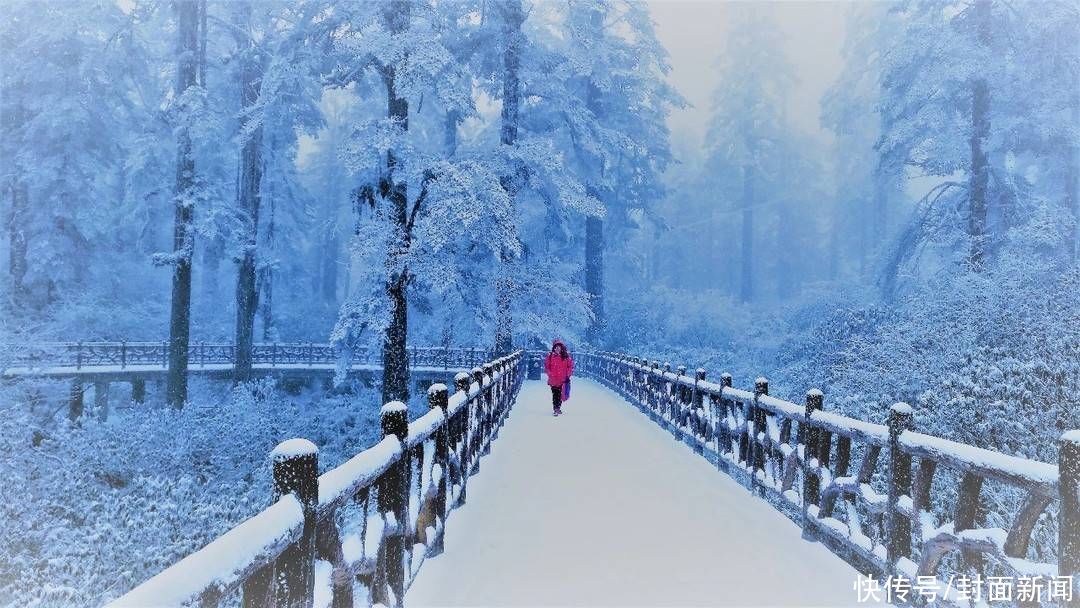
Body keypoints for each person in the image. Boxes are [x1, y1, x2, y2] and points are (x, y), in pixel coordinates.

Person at [544, 339, 573, 416]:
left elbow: (570, 367)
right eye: (556, 347)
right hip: (553, 380)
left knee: (560, 394)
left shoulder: (566, 357)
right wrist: (550, 374)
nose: (557, 349)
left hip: (562, 379)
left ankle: (558, 407)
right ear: (554, 348)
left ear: (561, 348)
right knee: (555, 394)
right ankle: (555, 408)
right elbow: (547, 367)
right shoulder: (550, 356)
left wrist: (568, 375)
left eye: (559, 347)